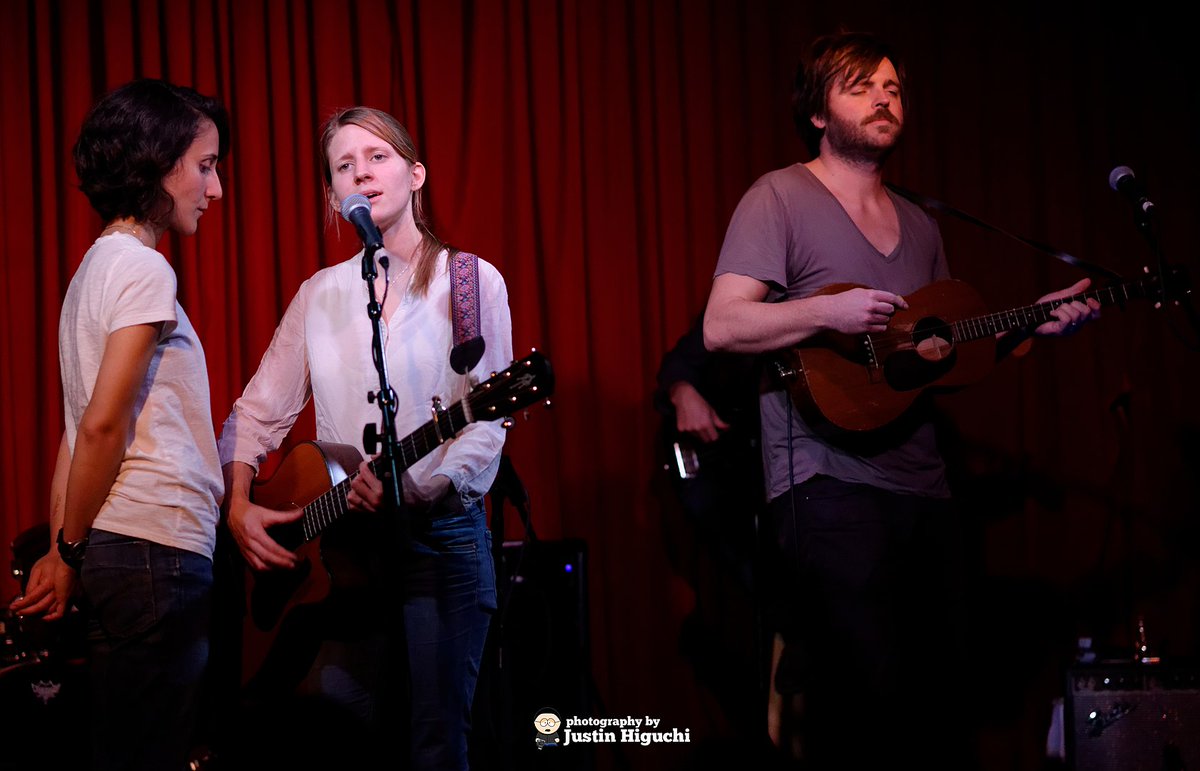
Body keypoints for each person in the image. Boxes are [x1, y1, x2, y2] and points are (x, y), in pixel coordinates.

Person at [702, 32, 1100, 769]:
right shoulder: (779, 196)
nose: (883, 99)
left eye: (892, 88)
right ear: (817, 112)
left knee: (937, 706)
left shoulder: (921, 224)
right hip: (824, 481)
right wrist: (828, 311)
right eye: (860, 87)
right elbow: (722, 326)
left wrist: (1029, 326)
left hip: (925, 487)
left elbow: (937, 359)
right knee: (865, 707)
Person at [218, 106, 511, 770]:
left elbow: (484, 421)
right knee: (337, 742)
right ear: (333, 196)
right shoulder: (319, 295)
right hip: (341, 553)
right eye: (344, 166)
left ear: (415, 173)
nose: (362, 173)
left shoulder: (469, 282)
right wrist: (238, 504)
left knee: (435, 747)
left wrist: (424, 486)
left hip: (441, 544)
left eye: (377, 157)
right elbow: (255, 412)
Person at [8, 79, 228, 770]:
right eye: (205, 165)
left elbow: (75, 434)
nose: (215, 188)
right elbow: (100, 427)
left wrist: (63, 550)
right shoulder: (143, 269)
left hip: (121, 554)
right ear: (159, 164)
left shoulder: (91, 272)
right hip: (155, 550)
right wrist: (68, 550)